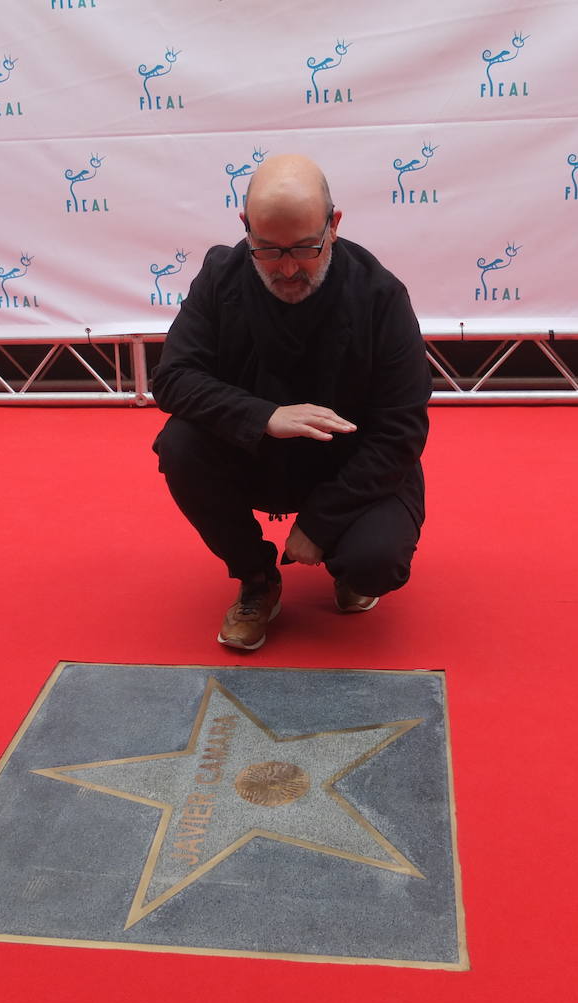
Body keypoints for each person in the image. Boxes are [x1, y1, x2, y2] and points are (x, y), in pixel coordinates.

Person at [151, 154, 430, 651]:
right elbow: (172, 378)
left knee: (376, 564)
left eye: (305, 249)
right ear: (246, 229)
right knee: (179, 443)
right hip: (258, 454)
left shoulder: (380, 295)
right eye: (267, 249)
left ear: (334, 226)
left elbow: (401, 430)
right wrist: (264, 416)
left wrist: (319, 524)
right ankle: (258, 578)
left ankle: (349, 567)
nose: (286, 268)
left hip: (352, 464)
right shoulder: (220, 277)